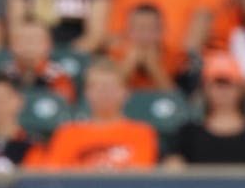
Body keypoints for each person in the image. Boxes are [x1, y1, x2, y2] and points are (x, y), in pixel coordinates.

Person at [31, 58, 159, 169]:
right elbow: (55, 179)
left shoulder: (142, 133)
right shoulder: (67, 134)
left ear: (125, 92)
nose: (104, 93)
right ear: (87, 92)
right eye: (97, 86)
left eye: (110, 87)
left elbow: (140, 178)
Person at [165, 53, 245, 166]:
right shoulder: (188, 133)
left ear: (240, 87)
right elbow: (172, 169)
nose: (223, 90)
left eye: (228, 83)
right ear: (205, 88)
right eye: (217, 83)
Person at [109, 3, 195, 94]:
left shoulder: (178, 59)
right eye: (139, 29)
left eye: (151, 29)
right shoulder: (114, 55)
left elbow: (180, 102)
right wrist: (128, 64)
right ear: (127, 32)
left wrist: (154, 67)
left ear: (162, 31)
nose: (144, 36)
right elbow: (104, 96)